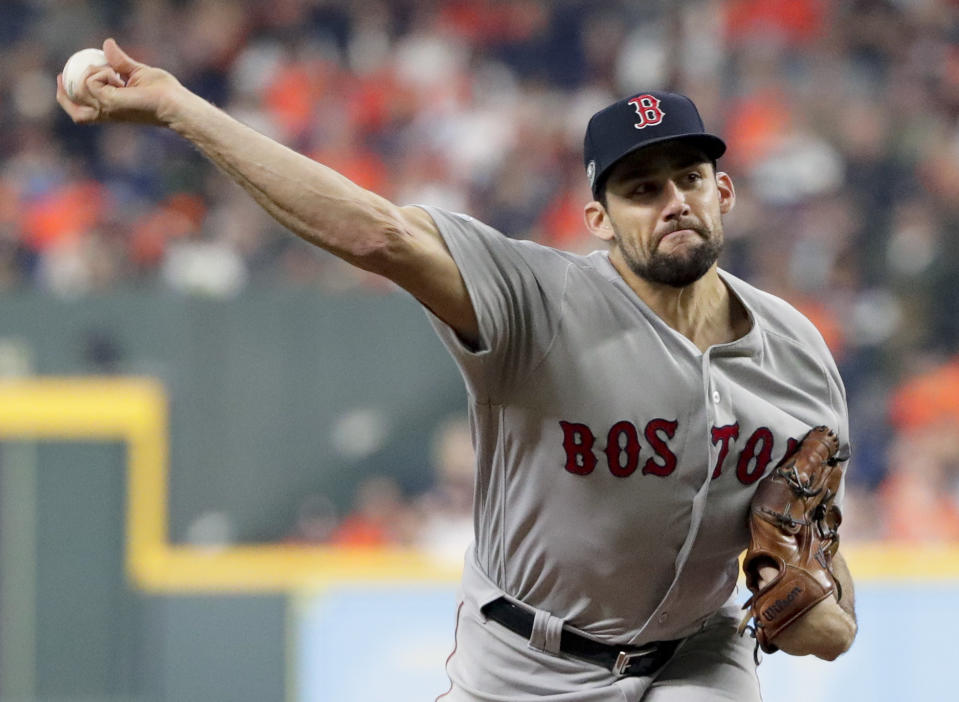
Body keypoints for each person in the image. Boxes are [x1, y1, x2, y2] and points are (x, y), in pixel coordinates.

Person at [58, 39, 858, 701]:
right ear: (598, 221)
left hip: (696, 655)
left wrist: (834, 611)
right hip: (524, 661)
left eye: (687, 179)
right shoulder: (540, 301)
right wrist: (177, 108)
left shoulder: (795, 355)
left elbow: (818, 538)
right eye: (641, 189)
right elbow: (379, 235)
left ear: (722, 191)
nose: (672, 201)